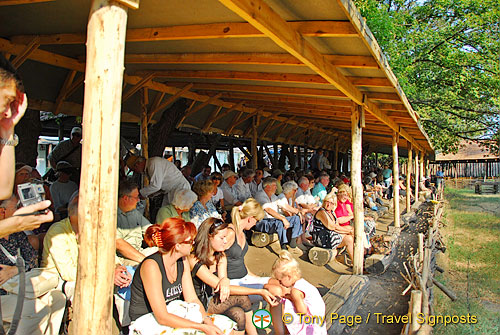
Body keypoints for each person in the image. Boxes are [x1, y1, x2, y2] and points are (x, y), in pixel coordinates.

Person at [128, 218, 230, 335]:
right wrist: (201, 327)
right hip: (148, 320)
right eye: (190, 241)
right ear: (177, 246)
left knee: (225, 327)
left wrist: (207, 322)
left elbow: (192, 298)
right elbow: (161, 316)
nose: (193, 243)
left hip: (172, 312)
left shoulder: (183, 260)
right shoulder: (151, 266)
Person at [188, 218, 277, 335]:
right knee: (243, 299)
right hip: (200, 303)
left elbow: (224, 281)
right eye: (221, 238)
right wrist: (259, 291)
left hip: (215, 299)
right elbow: (217, 284)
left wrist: (225, 280)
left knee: (239, 314)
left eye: (226, 237)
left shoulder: (221, 256)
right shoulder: (194, 259)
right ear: (209, 237)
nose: (225, 241)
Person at [265, 250, 327, 335]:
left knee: (285, 305)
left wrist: (292, 299)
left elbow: (302, 310)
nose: (280, 284)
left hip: (311, 324)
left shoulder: (295, 291)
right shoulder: (303, 283)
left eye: (280, 280)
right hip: (319, 319)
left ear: (289, 277)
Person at [225, 199, 270, 300]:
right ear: (250, 218)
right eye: (256, 221)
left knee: (275, 283)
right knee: (275, 290)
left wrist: (255, 277)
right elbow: (217, 259)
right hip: (232, 280)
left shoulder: (242, 233)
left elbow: (240, 260)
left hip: (244, 276)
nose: (255, 224)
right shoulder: (229, 233)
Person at [116, 180, 157, 265]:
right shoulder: (113, 217)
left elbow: (149, 229)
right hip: (125, 259)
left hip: (140, 252)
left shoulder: (134, 213)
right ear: (126, 198)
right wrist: (145, 260)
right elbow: (119, 244)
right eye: (136, 197)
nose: (138, 200)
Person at [254, 177, 302, 251]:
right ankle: (283, 246)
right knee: (280, 222)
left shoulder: (273, 196)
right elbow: (268, 210)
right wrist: (282, 218)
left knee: (296, 218)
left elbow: (284, 205)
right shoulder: (260, 195)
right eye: (274, 185)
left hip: (273, 221)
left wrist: (297, 212)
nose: (276, 187)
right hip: (263, 222)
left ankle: (293, 244)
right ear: (268, 187)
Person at [310, 193, 354, 262]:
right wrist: (348, 232)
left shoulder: (332, 212)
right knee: (349, 238)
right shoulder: (322, 212)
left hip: (330, 235)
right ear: (324, 202)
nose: (328, 204)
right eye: (327, 202)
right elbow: (332, 227)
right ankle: (355, 262)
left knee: (351, 230)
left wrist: (349, 231)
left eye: (331, 203)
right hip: (323, 238)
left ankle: (356, 259)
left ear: (334, 204)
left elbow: (337, 226)